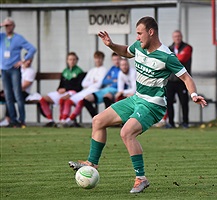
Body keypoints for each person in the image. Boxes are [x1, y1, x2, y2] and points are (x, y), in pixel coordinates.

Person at [69, 16, 207, 193]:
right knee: (98, 121)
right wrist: (110, 44)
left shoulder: (166, 56)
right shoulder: (139, 48)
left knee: (126, 132)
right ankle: (92, 163)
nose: (137, 37)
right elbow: (126, 51)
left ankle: (141, 178)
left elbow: (186, 77)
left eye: (140, 33)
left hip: (153, 105)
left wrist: (194, 94)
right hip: (137, 99)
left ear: (151, 32)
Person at [0, 17, 36, 127]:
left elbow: (32, 49)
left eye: (9, 25)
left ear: (13, 26)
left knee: (17, 94)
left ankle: (22, 120)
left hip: (14, 69)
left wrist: (23, 61)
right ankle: (13, 120)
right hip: (4, 70)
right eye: (6, 25)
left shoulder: (18, 38)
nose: (7, 27)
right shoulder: (1, 37)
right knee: (8, 96)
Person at [60, 51, 107, 127]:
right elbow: (83, 83)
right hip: (86, 90)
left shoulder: (104, 70)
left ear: (102, 59)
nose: (98, 60)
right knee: (69, 101)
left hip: (95, 91)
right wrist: (93, 81)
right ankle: (63, 119)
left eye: (99, 58)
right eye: (96, 58)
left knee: (82, 101)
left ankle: (70, 120)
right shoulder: (92, 70)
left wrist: (90, 82)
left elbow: (99, 85)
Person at [39, 52, 85, 127]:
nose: (72, 61)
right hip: (63, 92)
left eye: (74, 59)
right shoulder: (65, 71)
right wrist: (59, 89)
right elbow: (60, 85)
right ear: (67, 60)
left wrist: (66, 89)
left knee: (63, 99)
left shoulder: (80, 72)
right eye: (70, 59)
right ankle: (50, 120)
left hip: (73, 92)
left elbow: (79, 87)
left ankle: (63, 119)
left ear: (76, 60)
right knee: (43, 99)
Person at [0, 56, 40, 126]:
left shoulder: (31, 71)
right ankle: (11, 119)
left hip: (23, 92)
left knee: (9, 97)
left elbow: (24, 86)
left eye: (30, 61)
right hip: (12, 90)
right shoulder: (17, 67)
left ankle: (11, 119)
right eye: (27, 60)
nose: (29, 62)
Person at [166, 30, 193, 129]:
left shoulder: (187, 47)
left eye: (178, 36)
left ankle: (185, 122)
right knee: (169, 102)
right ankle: (171, 122)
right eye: (175, 36)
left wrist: (170, 59)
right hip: (170, 80)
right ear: (173, 38)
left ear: (181, 37)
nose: (177, 38)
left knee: (184, 102)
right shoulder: (169, 48)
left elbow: (181, 59)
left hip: (182, 80)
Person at [83, 52, 121, 118]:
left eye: (118, 59)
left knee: (107, 96)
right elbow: (104, 81)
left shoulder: (122, 68)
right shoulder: (112, 68)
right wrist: (113, 80)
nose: (116, 61)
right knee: (86, 98)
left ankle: (109, 120)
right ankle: (96, 118)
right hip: (106, 90)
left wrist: (111, 80)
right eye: (114, 60)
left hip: (116, 90)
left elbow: (121, 82)